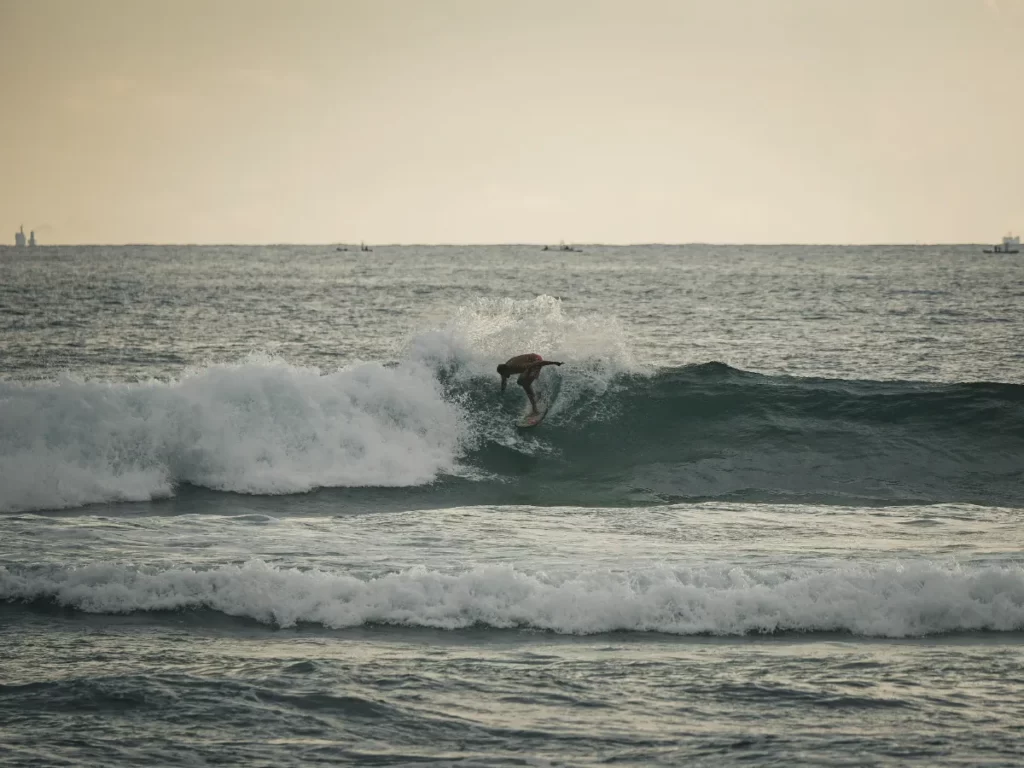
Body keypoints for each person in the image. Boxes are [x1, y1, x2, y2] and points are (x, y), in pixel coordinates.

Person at [496, 354, 563, 415]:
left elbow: (538, 363)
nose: (503, 375)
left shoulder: (517, 367)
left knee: (523, 382)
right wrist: (502, 394)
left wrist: (555, 363)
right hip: (530, 360)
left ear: (506, 370)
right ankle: (537, 395)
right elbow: (503, 382)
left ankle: (535, 409)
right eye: (502, 374)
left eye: (503, 374)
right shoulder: (504, 369)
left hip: (536, 360)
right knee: (525, 379)